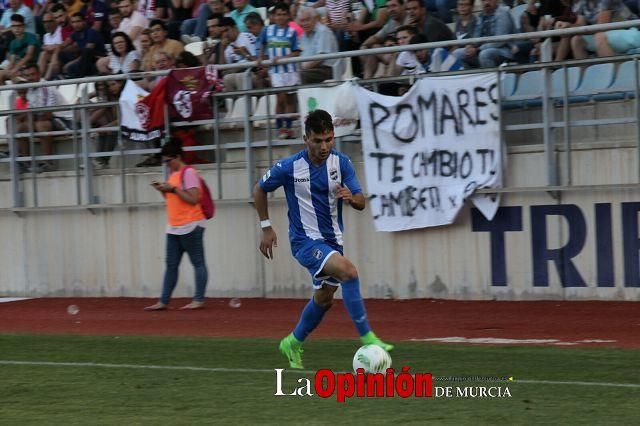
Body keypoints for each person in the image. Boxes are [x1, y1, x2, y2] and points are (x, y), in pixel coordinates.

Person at [253, 109, 393, 370]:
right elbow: (259, 189)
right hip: (304, 242)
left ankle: (292, 342)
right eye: (318, 140)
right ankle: (369, 338)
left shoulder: (341, 163)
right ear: (306, 138)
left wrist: (351, 198)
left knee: (324, 299)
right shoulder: (289, 167)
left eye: (329, 139)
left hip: (332, 241)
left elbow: (361, 201)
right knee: (349, 272)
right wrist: (266, 227)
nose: (324, 146)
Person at [145, 141, 209, 311]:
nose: (166, 165)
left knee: (198, 263)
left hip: (191, 225)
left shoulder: (188, 173)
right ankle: (163, 301)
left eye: (168, 161)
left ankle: (198, 299)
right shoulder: (174, 175)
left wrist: (173, 190)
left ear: (177, 157)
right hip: (174, 226)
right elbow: (175, 200)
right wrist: (163, 190)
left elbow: (193, 199)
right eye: (164, 162)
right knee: (171, 265)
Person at [258, 2, 300, 140]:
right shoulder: (267, 30)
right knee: (280, 98)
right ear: (273, 16)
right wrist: (260, 58)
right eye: (278, 14)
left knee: (288, 100)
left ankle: (288, 129)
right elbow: (261, 44)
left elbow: (296, 52)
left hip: (290, 70)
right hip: (275, 71)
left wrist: (282, 58)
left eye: (283, 14)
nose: (281, 17)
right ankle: (280, 128)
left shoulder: (292, 32)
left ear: (288, 16)